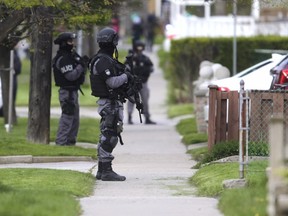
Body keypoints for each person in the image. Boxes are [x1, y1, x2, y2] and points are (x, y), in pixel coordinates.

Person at [89, 27, 135, 181]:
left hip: (111, 102)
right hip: (109, 104)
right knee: (109, 136)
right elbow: (113, 82)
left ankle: (102, 170)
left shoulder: (105, 59)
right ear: (113, 41)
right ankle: (106, 170)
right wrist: (126, 76)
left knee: (108, 134)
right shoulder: (102, 61)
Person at [52, 32, 87, 146]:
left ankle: (70, 142)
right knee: (67, 117)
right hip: (66, 92)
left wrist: (84, 63)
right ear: (63, 43)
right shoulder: (63, 59)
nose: (72, 43)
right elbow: (71, 76)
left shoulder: (71, 56)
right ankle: (61, 142)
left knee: (75, 119)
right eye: (70, 41)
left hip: (73, 91)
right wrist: (81, 66)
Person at [127, 40, 156, 125]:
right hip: (132, 83)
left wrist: (144, 70)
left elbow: (151, 68)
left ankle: (147, 117)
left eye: (141, 48)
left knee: (145, 100)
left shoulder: (145, 58)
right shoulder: (131, 58)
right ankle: (129, 117)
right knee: (131, 100)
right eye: (138, 48)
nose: (139, 50)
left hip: (143, 82)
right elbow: (126, 69)